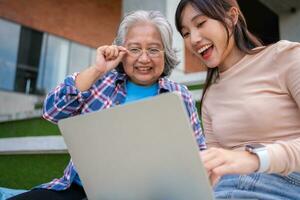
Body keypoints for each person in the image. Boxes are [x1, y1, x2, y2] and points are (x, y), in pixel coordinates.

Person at [9, 10, 206, 200]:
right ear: (122, 51)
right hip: (80, 189)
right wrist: (97, 70)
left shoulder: (180, 95)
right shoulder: (99, 82)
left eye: (153, 49)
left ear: (166, 53)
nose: (144, 58)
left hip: (150, 193)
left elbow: (199, 153)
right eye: (135, 49)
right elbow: (51, 112)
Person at [175, 0, 300, 199]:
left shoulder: (284, 57)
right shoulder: (210, 97)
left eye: (200, 24)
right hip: (226, 189)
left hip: (286, 182)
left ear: (232, 17)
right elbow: (215, 173)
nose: (194, 39)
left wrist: (254, 158)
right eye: (186, 33)